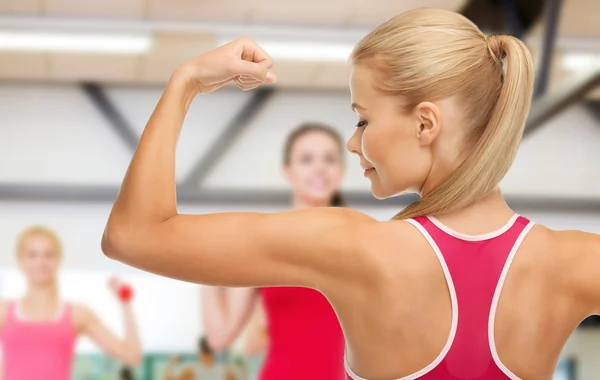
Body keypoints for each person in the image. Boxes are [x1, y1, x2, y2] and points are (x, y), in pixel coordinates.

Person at [101, 8, 600, 380]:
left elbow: (134, 235)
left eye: (363, 118)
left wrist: (185, 82)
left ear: (425, 123)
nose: (352, 141)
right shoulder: (575, 260)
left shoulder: (353, 247)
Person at [202, 123, 347, 379]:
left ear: (341, 171)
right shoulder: (262, 242)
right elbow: (220, 336)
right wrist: (204, 269)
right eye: (306, 159)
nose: (319, 168)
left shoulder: (359, 239)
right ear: (287, 171)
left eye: (329, 159)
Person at [0, 226, 142, 380]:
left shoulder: (77, 314)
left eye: (49, 255)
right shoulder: (4, 311)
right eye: (32, 255)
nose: (41, 261)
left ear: (58, 259)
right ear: (20, 260)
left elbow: (131, 355)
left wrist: (125, 302)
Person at [165, 337, 235, 380]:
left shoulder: (191, 371)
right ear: (215, 350)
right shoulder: (226, 372)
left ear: (199, 351)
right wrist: (243, 368)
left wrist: (172, 362)